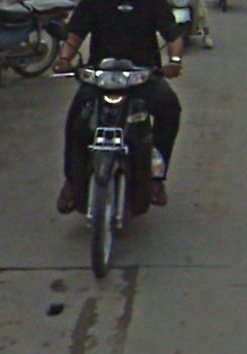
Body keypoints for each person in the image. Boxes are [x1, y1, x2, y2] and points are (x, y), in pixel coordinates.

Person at [54, 0, 184, 211]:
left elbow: (173, 35)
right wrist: (64, 58)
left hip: (143, 76)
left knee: (169, 108)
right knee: (76, 117)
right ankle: (71, 181)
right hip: (100, 76)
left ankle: (156, 176)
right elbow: (75, 34)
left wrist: (175, 61)